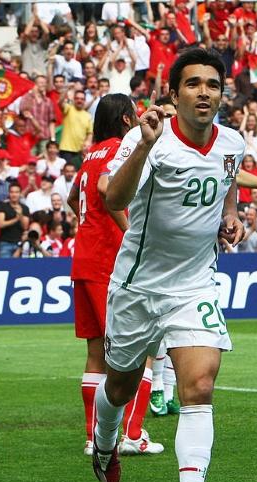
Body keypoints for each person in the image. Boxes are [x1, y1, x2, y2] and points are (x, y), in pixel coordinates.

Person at [96, 48, 247, 482]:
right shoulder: (148, 138)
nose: (204, 92)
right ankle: (104, 441)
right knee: (120, 386)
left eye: (212, 85)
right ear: (175, 93)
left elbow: (228, 180)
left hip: (195, 284)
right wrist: (143, 145)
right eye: (193, 84)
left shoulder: (232, 143)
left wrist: (230, 214)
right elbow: (113, 198)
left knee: (199, 386)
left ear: (221, 95)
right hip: (137, 287)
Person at [65, 93, 164, 458]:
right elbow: (108, 192)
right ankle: (133, 434)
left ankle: (93, 438)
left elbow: (72, 198)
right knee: (142, 348)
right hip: (109, 261)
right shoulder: (118, 150)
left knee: (96, 353)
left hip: (84, 259)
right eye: (134, 113)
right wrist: (132, 232)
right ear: (126, 119)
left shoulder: (89, 155)